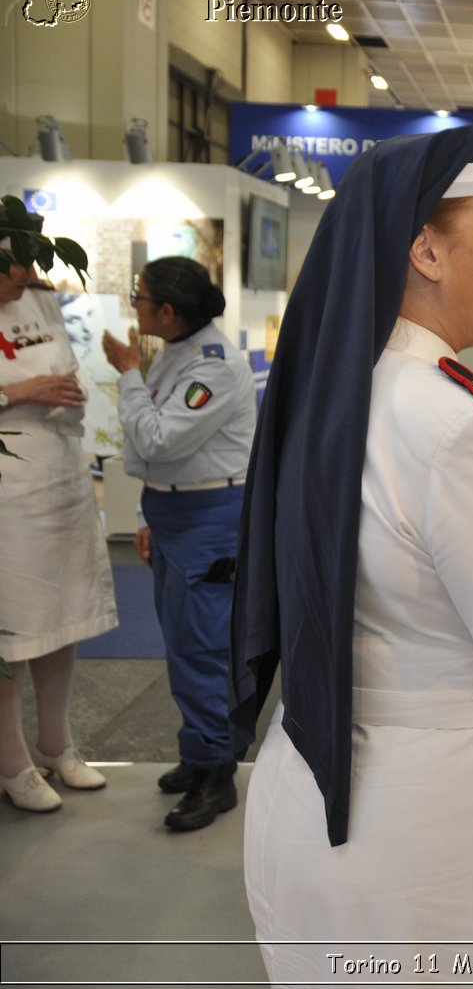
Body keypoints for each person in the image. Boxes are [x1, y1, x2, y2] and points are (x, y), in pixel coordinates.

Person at [230, 124, 473, 979]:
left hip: (331, 794)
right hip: (450, 845)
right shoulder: (457, 425)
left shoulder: (349, 389)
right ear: (426, 253)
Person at [100, 256, 256, 831]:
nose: (133, 306)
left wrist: (126, 375)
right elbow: (155, 455)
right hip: (175, 510)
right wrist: (150, 513)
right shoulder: (177, 352)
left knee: (203, 649)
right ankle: (200, 754)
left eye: (138, 297)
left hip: (209, 517)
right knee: (182, 644)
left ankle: (218, 773)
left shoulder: (211, 365)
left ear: (167, 310)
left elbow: (158, 437)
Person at [0, 228, 117, 813]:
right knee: (10, 628)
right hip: (6, 490)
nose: (26, 276)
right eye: (13, 267)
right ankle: (12, 759)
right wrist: (17, 391)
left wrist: (58, 391)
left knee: (60, 616)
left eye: (27, 265)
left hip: (59, 478)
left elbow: (64, 366)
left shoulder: (39, 299)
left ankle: (56, 741)